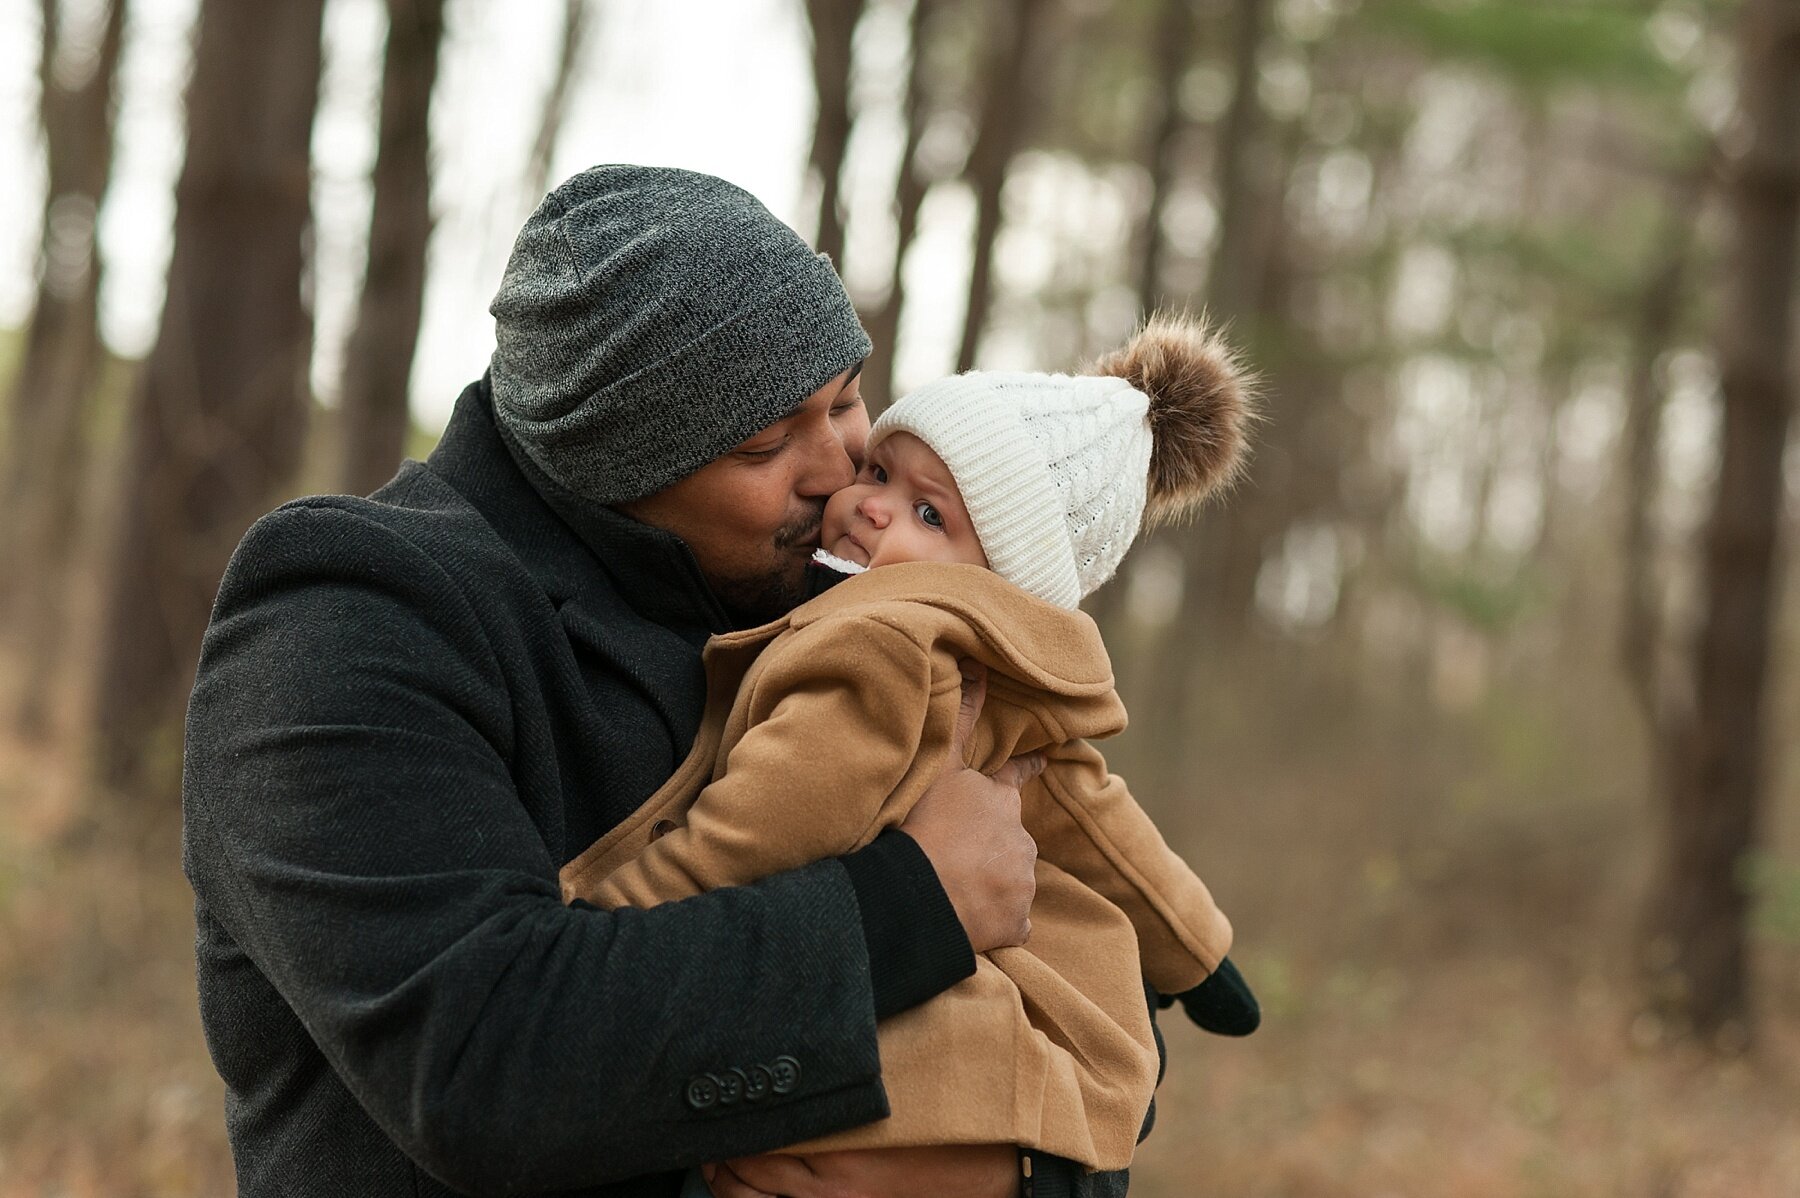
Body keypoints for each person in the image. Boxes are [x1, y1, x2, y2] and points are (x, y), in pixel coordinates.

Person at [181, 164, 1144, 1197]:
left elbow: (1094, 989)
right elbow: (478, 1061)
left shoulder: (844, 606)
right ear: (617, 461)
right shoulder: (346, 612)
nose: (839, 468)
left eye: (849, 398)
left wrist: (1017, 1172)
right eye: (766, 441)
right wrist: (914, 906)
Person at [561, 315, 1261, 1188]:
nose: (870, 504)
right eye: (880, 469)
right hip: (1022, 1054)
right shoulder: (1007, 670)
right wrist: (1196, 952)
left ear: (991, 580)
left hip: (904, 1057)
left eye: (929, 513)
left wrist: (605, 916)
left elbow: (766, 826)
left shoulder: (881, 645)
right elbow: (1098, 821)